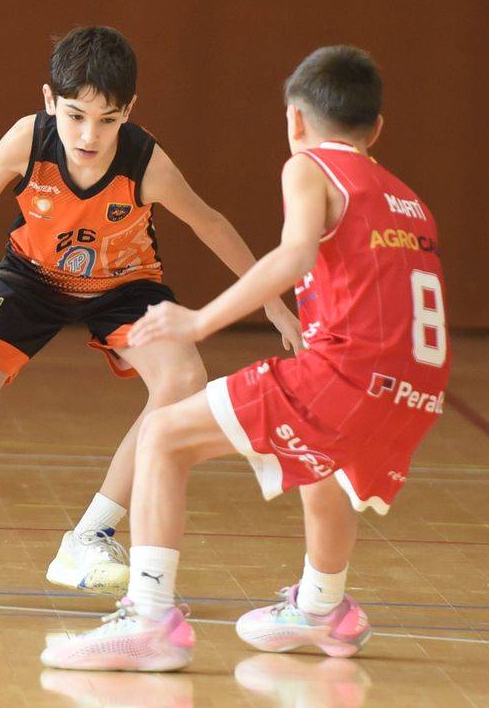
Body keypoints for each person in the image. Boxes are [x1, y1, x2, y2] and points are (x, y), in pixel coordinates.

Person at [0, 26, 300, 604]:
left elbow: (212, 224)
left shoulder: (147, 162)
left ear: (129, 112)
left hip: (125, 285)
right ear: (50, 101)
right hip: (31, 281)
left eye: (106, 119)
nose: (89, 134)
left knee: (184, 378)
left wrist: (273, 302)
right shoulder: (28, 140)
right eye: (75, 116)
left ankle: (90, 534)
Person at [41, 45, 451, 671]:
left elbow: (293, 256)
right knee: (322, 462)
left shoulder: (311, 167)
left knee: (163, 436)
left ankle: (149, 620)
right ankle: (324, 608)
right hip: (417, 391)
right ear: (376, 130)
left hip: (346, 373)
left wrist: (200, 320)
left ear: (294, 120)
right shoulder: (407, 197)